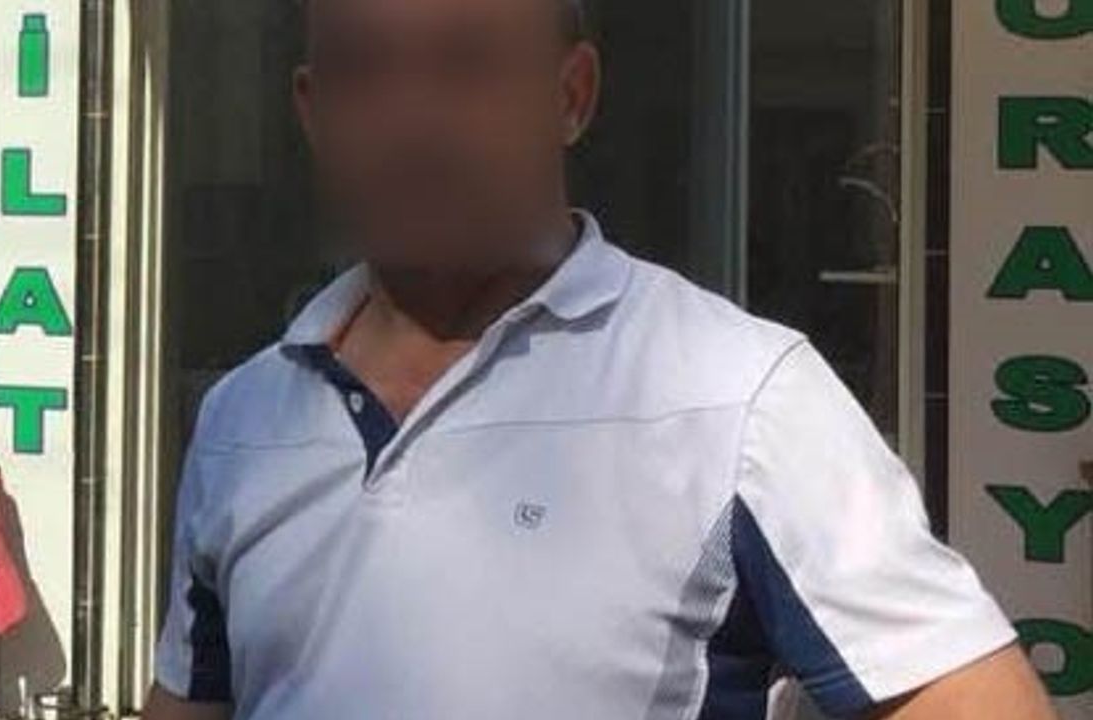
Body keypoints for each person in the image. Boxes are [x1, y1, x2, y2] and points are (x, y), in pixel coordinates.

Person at [144, 0, 1058, 717]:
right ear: (311, 109)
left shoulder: (737, 394)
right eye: (363, 71)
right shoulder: (245, 420)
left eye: (467, 65)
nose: (412, 119)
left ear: (571, 95)